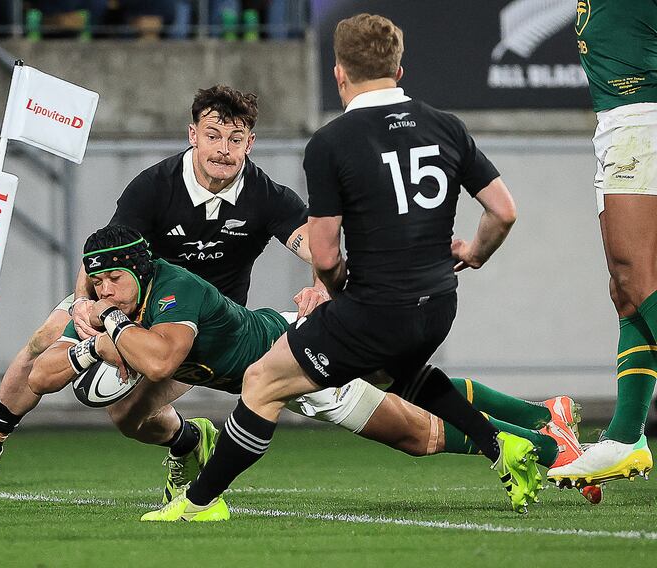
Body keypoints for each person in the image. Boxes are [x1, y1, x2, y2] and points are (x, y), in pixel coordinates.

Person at [141, 13, 543, 522]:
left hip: (374, 308)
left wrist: (331, 293)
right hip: (439, 305)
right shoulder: (447, 126)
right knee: (401, 372)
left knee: (263, 381)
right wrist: (475, 253)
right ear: (399, 68)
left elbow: (326, 256)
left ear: (339, 73)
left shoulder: (333, 142)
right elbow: (503, 210)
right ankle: (500, 444)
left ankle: (199, 503)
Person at [0, 85, 331, 482]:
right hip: (134, 302)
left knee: (127, 417)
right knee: (44, 337)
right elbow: (104, 254)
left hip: (200, 324)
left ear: (249, 143)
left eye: (235, 139)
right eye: (213, 135)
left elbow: (318, 245)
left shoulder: (267, 195)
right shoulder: (154, 186)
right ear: (193, 136)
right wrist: (80, 303)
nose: (223, 149)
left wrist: (321, 286)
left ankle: (189, 439)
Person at [28, 226, 579, 505]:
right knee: (412, 388)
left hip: (302, 363)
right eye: (95, 282)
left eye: (113, 280)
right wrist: (84, 347)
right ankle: (541, 415)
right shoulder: (120, 304)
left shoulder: (171, 290)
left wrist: (108, 335)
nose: (105, 291)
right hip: (287, 348)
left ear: (141, 270)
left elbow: (162, 358)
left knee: (420, 433)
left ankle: (555, 450)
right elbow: (38, 376)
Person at [547, 1, 656, 488]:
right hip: (619, 124)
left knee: (637, 274)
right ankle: (626, 436)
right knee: (624, 287)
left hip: (645, 120)